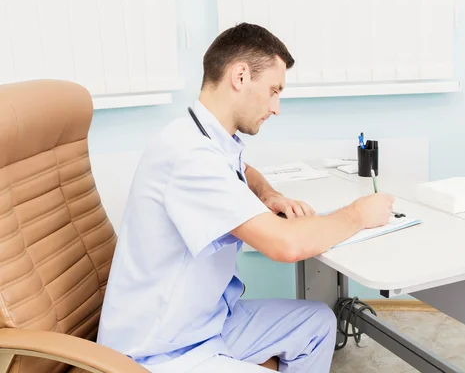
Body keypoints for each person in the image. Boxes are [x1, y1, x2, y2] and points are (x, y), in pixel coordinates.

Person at [97, 23, 395, 373]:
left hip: (208, 322)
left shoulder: (204, 134)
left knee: (316, 323)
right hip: (162, 351)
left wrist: (268, 194)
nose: (276, 107)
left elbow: (245, 169)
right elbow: (286, 247)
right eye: (273, 90)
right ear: (240, 76)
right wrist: (359, 214)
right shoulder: (189, 156)